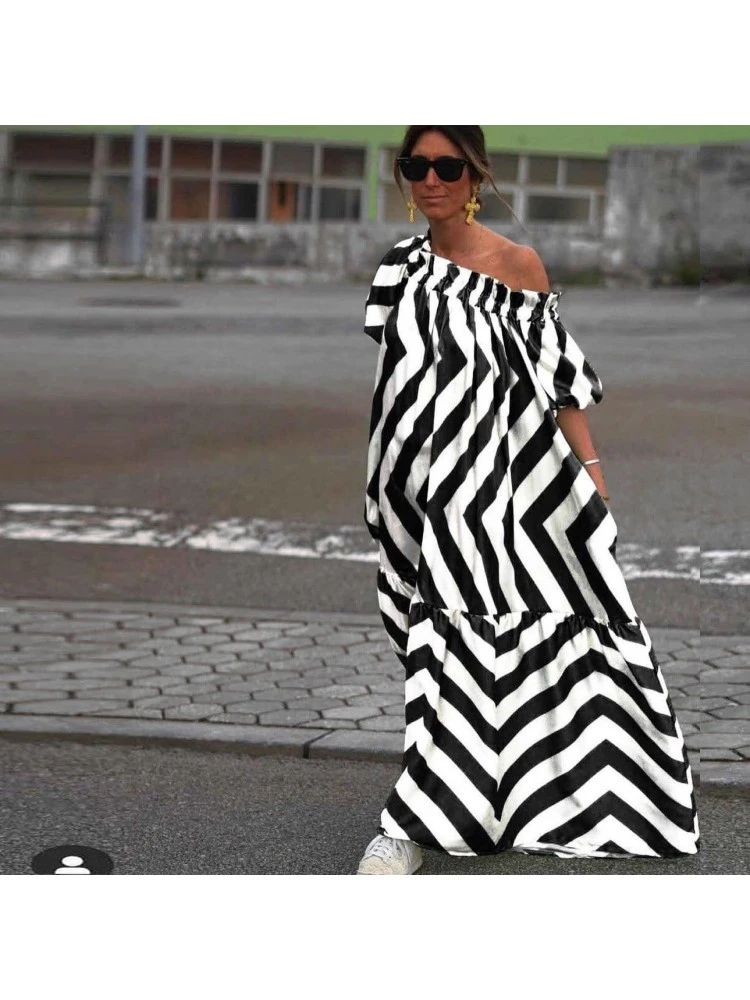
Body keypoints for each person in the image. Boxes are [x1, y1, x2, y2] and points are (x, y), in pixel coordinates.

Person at [356, 125, 699, 875]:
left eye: (447, 166)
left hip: (502, 487)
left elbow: (558, 380)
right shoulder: (397, 270)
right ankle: (470, 799)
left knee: (474, 637)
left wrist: (592, 472)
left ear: (475, 174)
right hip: (420, 489)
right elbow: (395, 383)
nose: (430, 179)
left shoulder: (517, 266)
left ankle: (408, 826)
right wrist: (388, 480)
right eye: (416, 165)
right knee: (438, 640)